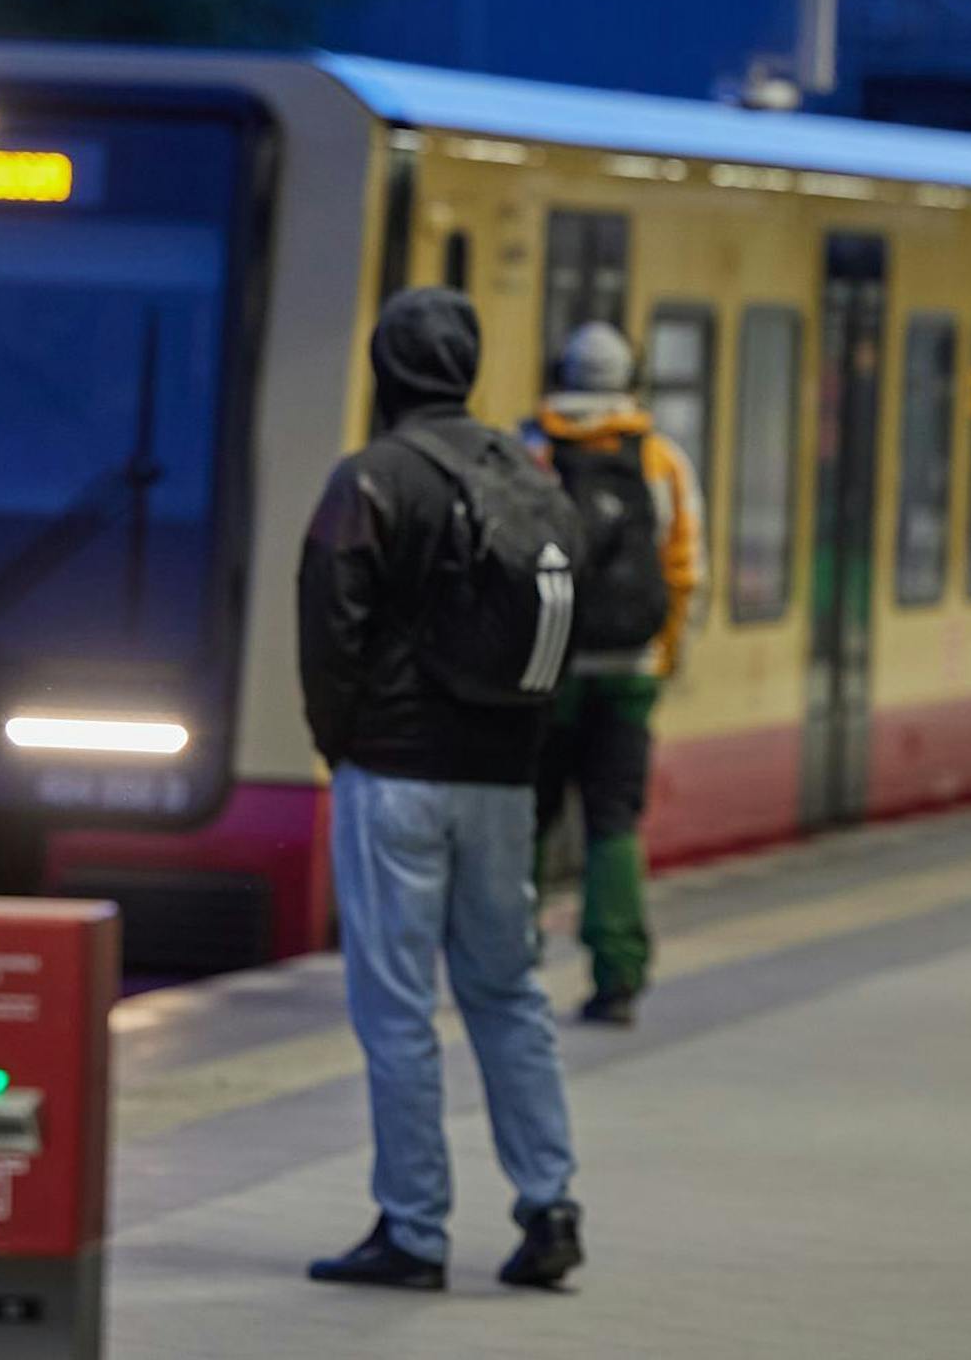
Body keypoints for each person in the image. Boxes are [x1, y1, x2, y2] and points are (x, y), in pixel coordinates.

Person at [298, 286, 585, 1293]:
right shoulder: (526, 471)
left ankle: (414, 1228)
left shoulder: (370, 481)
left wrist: (344, 746)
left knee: (396, 1008)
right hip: (501, 776)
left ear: (384, 368)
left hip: (396, 773)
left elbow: (328, 635)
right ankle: (548, 1205)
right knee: (507, 990)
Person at [527, 321, 705, 1026]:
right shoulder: (661, 460)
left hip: (547, 669)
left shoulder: (532, 451)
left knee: (528, 818)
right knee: (614, 823)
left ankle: (510, 963)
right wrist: (663, 657)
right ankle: (618, 975)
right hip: (630, 671)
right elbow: (687, 573)